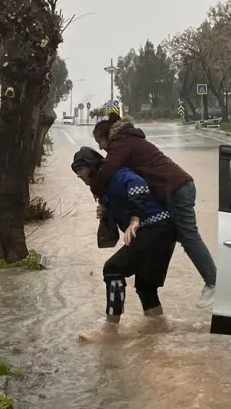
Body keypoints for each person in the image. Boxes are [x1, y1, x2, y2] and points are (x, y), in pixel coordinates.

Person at [89, 113, 216, 308]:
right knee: (181, 235)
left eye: (100, 141)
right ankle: (212, 281)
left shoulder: (121, 142)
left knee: (188, 235)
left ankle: (214, 282)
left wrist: (96, 189)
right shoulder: (129, 139)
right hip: (177, 188)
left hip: (177, 189)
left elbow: (107, 170)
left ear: (108, 136)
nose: (100, 147)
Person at [71, 146, 177, 342]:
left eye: (80, 170)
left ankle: (110, 330)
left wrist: (136, 218)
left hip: (155, 228)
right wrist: (106, 213)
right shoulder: (105, 189)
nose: (79, 176)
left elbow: (138, 185)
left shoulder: (118, 176)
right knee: (146, 286)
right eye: (76, 171)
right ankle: (159, 330)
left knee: (112, 269)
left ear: (92, 166)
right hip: (164, 231)